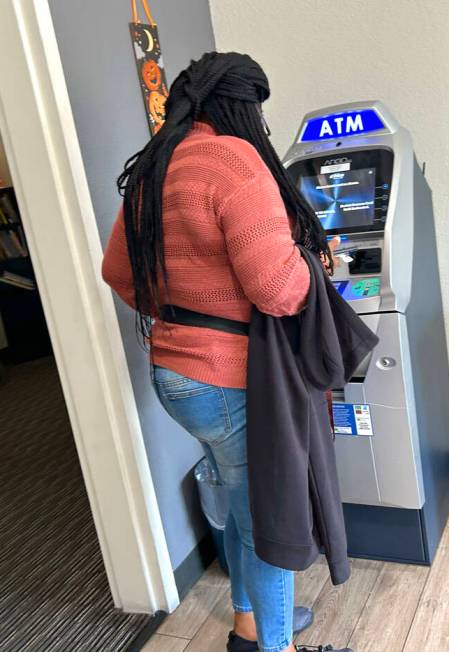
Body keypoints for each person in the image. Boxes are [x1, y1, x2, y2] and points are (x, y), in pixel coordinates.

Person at [102, 52, 349, 652]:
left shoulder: (157, 166)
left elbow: (116, 271)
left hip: (175, 377)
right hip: (233, 379)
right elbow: (277, 289)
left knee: (242, 506)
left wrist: (183, 308)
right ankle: (275, 645)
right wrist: (314, 264)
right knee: (268, 518)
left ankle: (247, 622)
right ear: (243, 107)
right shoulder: (234, 161)